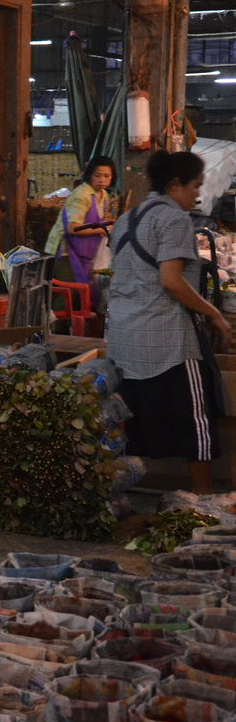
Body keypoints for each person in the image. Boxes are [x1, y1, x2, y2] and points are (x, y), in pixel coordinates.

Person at [105, 150, 230, 495]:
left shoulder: (127, 218)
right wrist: (215, 314)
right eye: (194, 186)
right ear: (174, 185)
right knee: (197, 422)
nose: (198, 195)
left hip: (125, 340)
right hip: (166, 341)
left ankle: (125, 493)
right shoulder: (173, 219)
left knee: (128, 424)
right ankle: (202, 501)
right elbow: (172, 281)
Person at [45, 156, 116, 284]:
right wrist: (102, 229)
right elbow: (73, 228)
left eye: (106, 176)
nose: (102, 180)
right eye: (97, 175)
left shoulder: (104, 195)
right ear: (90, 175)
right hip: (64, 250)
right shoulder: (82, 194)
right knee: (70, 292)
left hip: (83, 250)